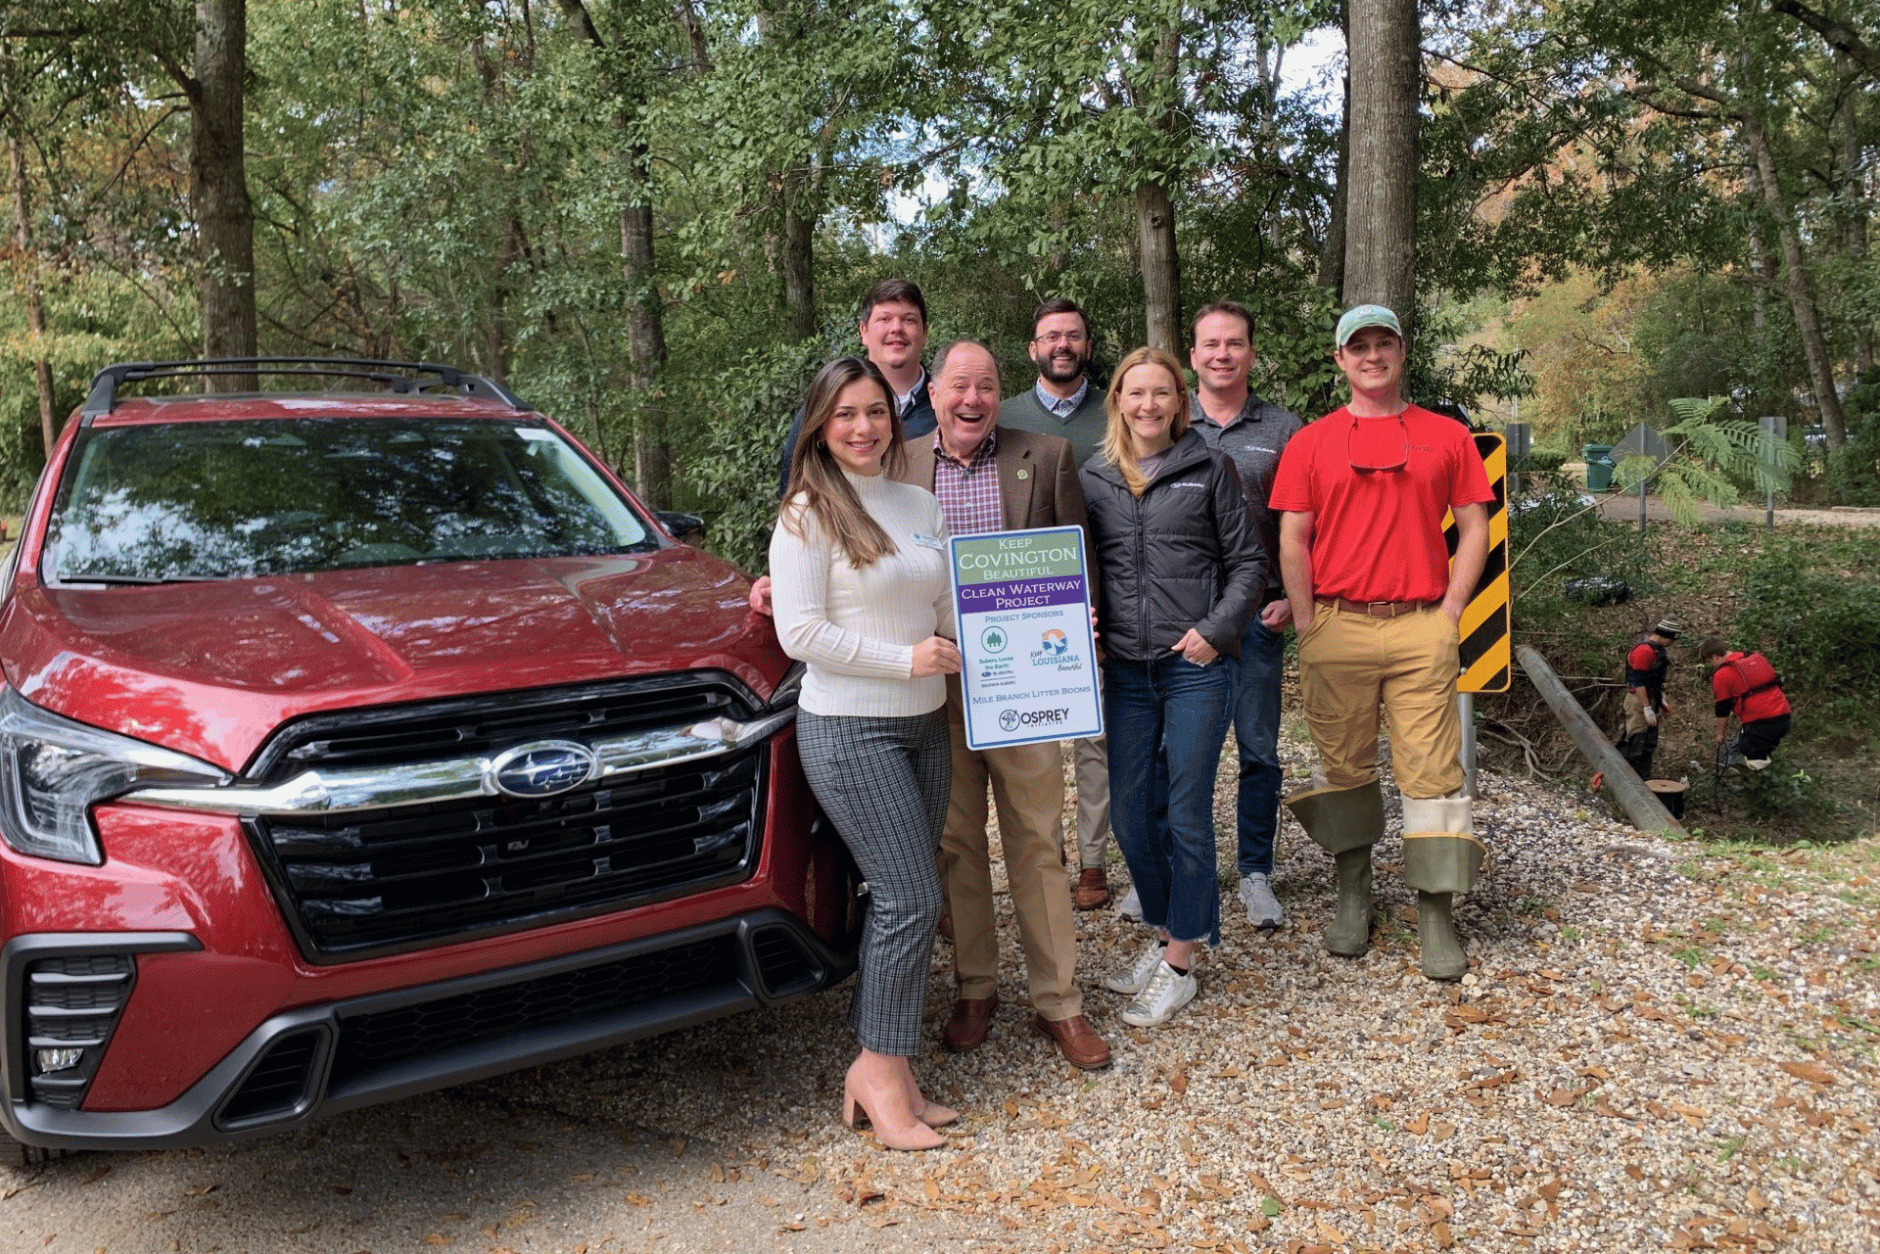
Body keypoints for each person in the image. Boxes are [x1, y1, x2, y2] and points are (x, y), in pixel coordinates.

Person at [895, 339, 1110, 1070]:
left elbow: (1080, 557)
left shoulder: (1045, 456)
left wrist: (1083, 618)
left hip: (1025, 686)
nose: (972, 399)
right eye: (959, 385)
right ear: (935, 391)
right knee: (957, 846)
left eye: (986, 386)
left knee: (1037, 842)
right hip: (938, 685)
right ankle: (976, 987)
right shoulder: (900, 462)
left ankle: (1060, 1002)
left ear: (999, 393)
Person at [768, 356, 961, 1151]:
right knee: (910, 896)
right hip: (850, 728)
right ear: (820, 424)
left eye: (876, 411)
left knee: (907, 897)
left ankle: (893, 1065)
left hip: (925, 722)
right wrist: (903, 660)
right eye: (845, 414)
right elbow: (800, 634)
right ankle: (878, 1073)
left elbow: (948, 603)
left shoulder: (918, 501)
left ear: (894, 417)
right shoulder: (807, 513)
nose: (863, 427)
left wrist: (1031, 635)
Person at [1269, 305, 1493, 981]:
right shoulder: (1310, 442)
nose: (1371, 355)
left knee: (1434, 773)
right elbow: (1292, 537)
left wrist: (1452, 609)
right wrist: (1308, 621)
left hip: (1421, 621)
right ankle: (1353, 890)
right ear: (1340, 359)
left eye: (1383, 343)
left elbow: (1475, 527)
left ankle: (1434, 912)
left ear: (1401, 351)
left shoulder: (1447, 436)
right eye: (1357, 346)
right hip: (1337, 623)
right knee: (1343, 767)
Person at [1080, 346, 1265, 1027]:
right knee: (1131, 815)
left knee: (1185, 812)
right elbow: (1077, 568)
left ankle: (1181, 964)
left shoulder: (1209, 469)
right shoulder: (1093, 477)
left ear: (1178, 403)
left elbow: (1248, 564)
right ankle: (1165, 939)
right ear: (1119, 402)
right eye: (1137, 393)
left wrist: (1215, 631)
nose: (1149, 404)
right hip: (1127, 671)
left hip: (1195, 669)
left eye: (1162, 393)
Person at [1189, 300, 1304, 931]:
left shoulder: (1285, 431)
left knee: (1258, 748)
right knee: (1181, 751)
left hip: (1259, 618)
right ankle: (1181, 868)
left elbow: (1304, 522)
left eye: (1234, 343)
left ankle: (1255, 871)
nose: (1222, 353)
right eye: (1211, 343)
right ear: (1194, 355)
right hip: (1186, 619)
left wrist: (1293, 593)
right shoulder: (1165, 420)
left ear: (1251, 353)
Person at [998, 298, 1115, 911]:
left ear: (1088, 345)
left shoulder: (1116, 410)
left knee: (1095, 740)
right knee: (1038, 744)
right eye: (1051, 336)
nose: (1062, 344)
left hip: (1102, 593)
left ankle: (1093, 861)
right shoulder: (1006, 415)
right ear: (1033, 348)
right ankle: (1050, 849)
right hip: (1028, 604)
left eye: (1073, 335)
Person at [777, 279, 936, 494]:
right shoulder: (828, 401)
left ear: (924, 332)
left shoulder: (946, 406)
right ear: (864, 331)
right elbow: (793, 487)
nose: (896, 328)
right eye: (884, 319)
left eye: (908, 320)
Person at [1699, 637, 1792, 769]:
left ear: (1714, 657)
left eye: (1710, 661)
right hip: (1784, 718)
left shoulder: (1722, 673)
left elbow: (1722, 708)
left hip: (1760, 724)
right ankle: (1770, 773)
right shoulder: (1756, 658)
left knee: (1750, 756)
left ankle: (1752, 781)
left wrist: (1720, 734)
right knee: (1750, 747)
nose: (1712, 665)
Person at [1617, 616, 1681, 780]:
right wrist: (1646, 707)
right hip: (1638, 699)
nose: (1672, 643)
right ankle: (1627, 778)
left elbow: (1657, 679)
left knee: (1648, 742)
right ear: (1664, 634)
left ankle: (1644, 778)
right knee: (1636, 739)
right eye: (1672, 639)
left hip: (1651, 698)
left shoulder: (1658, 650)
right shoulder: (1644, 651)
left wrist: (1661, 701)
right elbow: (1637, 681)